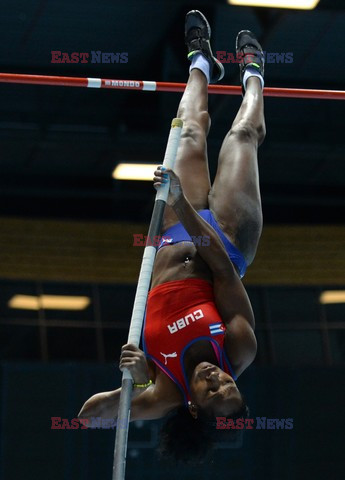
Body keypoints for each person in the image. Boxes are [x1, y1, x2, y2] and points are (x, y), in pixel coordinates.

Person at [78, 10, 266, 463]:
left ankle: (200, 62)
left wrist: (138, 381)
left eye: (211, 390)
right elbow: (219, 265)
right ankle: (255, 73)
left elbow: (90, 416)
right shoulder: (239, 346)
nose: (217, 378)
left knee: (189, 132)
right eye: (228, 384)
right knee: (241, 135)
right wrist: (180, 202)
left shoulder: (163, 390)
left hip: (171, 238)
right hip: (228, 243)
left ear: (193, 408)